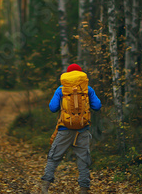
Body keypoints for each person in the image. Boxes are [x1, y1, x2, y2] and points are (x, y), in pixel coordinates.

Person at [41, 63, 102, 194]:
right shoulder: (87, 89)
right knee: (83, 160)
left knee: (54, 157)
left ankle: (45, 187)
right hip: (83, 129)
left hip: (64, 129)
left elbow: (52, 108)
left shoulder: (61, 89)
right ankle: (84, 189)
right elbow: (97, 106)